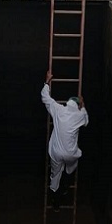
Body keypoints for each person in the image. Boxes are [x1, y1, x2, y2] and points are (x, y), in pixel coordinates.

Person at [41, 70, 88, 211]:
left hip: (56, 152)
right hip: (70, 153)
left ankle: (55, 201)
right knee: (71, 166)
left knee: (54, 175)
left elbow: (45, 97)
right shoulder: (80, 115)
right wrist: (83, 105)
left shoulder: (59, 110)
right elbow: (86, 121)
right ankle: (66, 184)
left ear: (68, 104)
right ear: (77, 107)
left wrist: (47, 81)